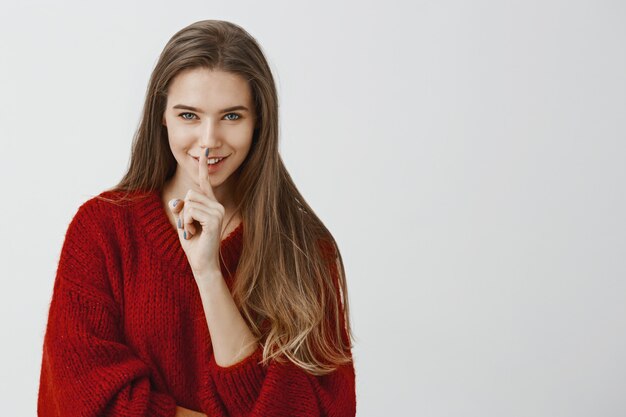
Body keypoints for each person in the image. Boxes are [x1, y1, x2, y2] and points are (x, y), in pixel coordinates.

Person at [37, 19, 356, 417]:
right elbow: (78, 401)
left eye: (232, 117)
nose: (209, 140)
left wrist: (208, 273)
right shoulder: (101, 230)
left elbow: (318, 410)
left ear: (259, 123)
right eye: (189, 115)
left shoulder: (306, 249)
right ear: (162, 115)